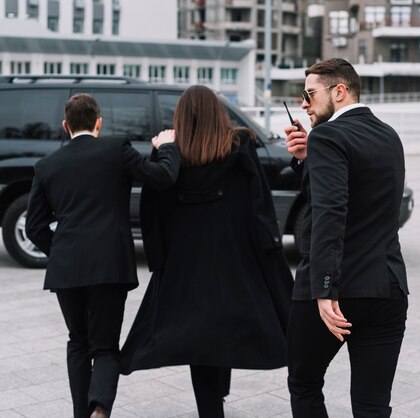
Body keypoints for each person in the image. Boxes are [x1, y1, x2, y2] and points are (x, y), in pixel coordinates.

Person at [120, 85, 294, 418]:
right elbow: (260, 201)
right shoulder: (240, 145)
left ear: (181, 117)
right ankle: (219, 394)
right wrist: (267, 247)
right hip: (233, 257)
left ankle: (210, 408)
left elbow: (152, 208)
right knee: (222, 328)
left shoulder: (173, 153)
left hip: (187, 262)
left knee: (199, 338)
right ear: (218, 112)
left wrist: (159, 258)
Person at [25, 93, 181, 418]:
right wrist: (167, 147)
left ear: (65, 126)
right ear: (99, 122)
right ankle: (100, 408)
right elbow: (162, 177)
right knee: (106, 346)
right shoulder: (116, 149)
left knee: (77, 342)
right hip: (111, 264)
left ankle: (81, 413)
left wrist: (61, 252)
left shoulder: (46, 165)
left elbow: (35, 227)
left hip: (66, 269)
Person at [283, 58, 409, 417]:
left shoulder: (327, 135)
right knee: (372, 404)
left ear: (339, 91)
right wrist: (309, 159)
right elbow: (361, 197)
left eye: (310, 94)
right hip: (388, 288)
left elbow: (329, 213)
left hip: (335, 294)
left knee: (304, 383)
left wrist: (324, 289)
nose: (304, 104)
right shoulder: (388, 135)